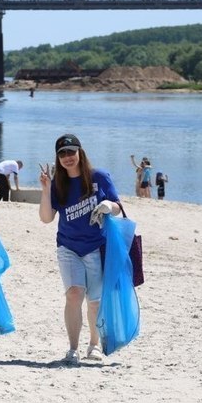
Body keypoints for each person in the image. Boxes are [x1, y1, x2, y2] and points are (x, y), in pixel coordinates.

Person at [39, 133, 121, 366]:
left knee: (94, 301)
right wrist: (45, 189)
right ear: (58, 158)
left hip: (96, 246)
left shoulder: (99, 177)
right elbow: (46, 218)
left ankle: (94, 345)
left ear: (80, 153)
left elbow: (118, 207)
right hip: (68, 246)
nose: (67, 157)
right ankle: (73, 348)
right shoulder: (58, 184)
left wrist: (108, 205)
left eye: (71, 152)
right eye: (62, 153)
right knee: (74, 294)